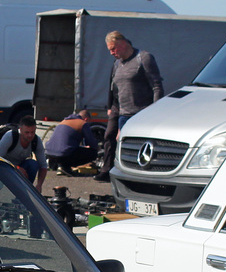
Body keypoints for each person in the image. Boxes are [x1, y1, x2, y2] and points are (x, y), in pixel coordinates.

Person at [97, 30, 163, 182]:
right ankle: (109, 171)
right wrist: (110, 106)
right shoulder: (117, 64)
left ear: (123, 43)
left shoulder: (143, 58)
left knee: (138, 144)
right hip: (121, 110)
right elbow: (113, 86)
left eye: (114, 49)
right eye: (110, 50)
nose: (112, 53)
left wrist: (156, 109)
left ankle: (139, 174)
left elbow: (156, 85)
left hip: (141, 111)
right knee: (111, 137)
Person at [0, 115, 48, 193]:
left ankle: (25, 191)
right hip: (2, 167)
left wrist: (39, 185)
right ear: (20, 130)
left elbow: (43, 165)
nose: (30, 135)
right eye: (27, 132)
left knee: (33, 164)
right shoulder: (10, 136)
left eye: (32, 132)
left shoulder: (36, 141)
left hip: (20, 169)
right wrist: (15, 168)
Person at [46, 110, 100, 175]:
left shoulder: (63, 121)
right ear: (86, 119)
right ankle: (66, 167)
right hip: (63, 155)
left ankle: (61, 166)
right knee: (93, 153)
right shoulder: (82, 123)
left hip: (50, 155)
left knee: (69, 150)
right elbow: (92, 143)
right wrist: (97, 147)